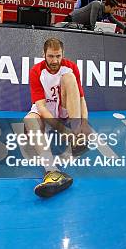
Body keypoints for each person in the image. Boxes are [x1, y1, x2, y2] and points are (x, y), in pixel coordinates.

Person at [23, 38, 89, 198]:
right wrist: (62, 130)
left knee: (69, 77)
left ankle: (76, 137)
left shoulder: (70, 67)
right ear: (44, 54)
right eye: (51, 56)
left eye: (58, 56)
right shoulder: (36, 71)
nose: (55, 60)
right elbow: (41, 107)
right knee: (29, 120)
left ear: (63, 54)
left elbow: (81, 98)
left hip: (65, 112)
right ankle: (52, 172)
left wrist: (83, 125)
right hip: (46, 113)